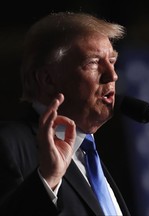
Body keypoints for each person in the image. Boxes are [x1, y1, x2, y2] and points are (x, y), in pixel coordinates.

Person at [0, 11, 130, 216]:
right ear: (48, 80)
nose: (112, 75)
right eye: (93, 63)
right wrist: (47, 181)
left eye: (112, 61)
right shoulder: (9, 144)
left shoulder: (91, 157)